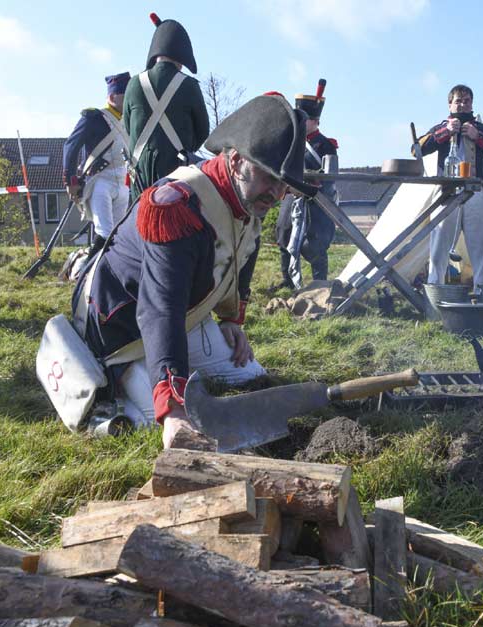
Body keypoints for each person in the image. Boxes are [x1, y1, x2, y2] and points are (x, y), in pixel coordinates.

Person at [72, 93, 315, 449]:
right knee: (150, 421)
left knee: (248, 376)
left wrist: (231, 320)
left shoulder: (247, 199)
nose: (276, 194)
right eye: (268, 177)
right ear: (235, 161)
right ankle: (110, 398)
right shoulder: (175, 207)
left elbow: (241, 254)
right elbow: (159, 309)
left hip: (184, 317)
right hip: (119, 329)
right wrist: (172, 408)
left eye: (283, 184)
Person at [420, 84, 483, 287]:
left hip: (476, 193)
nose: (462, 105)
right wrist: (444, 132)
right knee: (439, 250)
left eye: (466, 101)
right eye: (458, 101)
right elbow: (417, 148)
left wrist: (478, 137)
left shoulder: (481, 129)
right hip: (447, 193)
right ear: (450, 104)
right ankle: (435, 296)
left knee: (481, 250)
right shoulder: (441, 126)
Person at [123, 13, 210, 199]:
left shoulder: (133, 84)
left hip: (139, 175)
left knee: (137, 224)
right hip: (176, 174)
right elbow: (203, 131)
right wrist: (183, 147)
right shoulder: (189, 85)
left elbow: (128, 128)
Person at [276, 80, 339, 288]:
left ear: (315, 121)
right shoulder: (293, 141)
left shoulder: (326, 144)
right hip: (292, 196)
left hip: (316, 200)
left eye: (304, 120)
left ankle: (320, 283)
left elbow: (330, 176)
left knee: (316, 244)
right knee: (284, 235)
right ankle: (287, 280)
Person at [62, 72, 131, 249]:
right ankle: (89, 272)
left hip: (122, 184)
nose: (129, 99)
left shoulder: (129, 121)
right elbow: (71, 146)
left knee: (118, 235)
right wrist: (71, 180)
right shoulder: (93, 118)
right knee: (105, 234)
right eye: (125, 95)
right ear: (112, 96)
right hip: (100, 182)